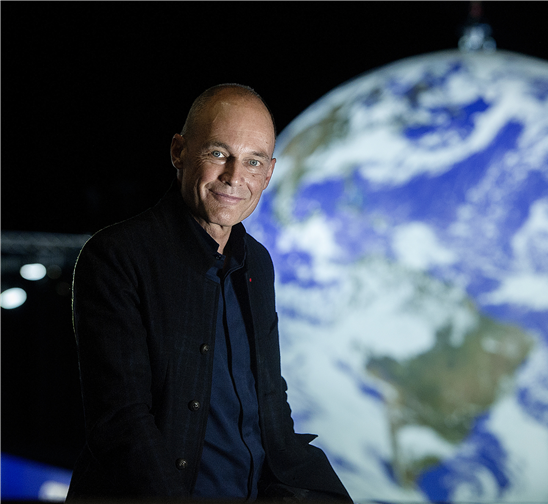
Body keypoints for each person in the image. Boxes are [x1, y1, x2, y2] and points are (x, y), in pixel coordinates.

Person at [67, 84, 352, 501]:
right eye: (219, 153)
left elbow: (270, 404)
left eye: (252, 162)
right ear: (179, 151)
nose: (235, 177)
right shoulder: (116, 256)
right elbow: (121, 424)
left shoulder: (258, 262)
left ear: (268, 173)